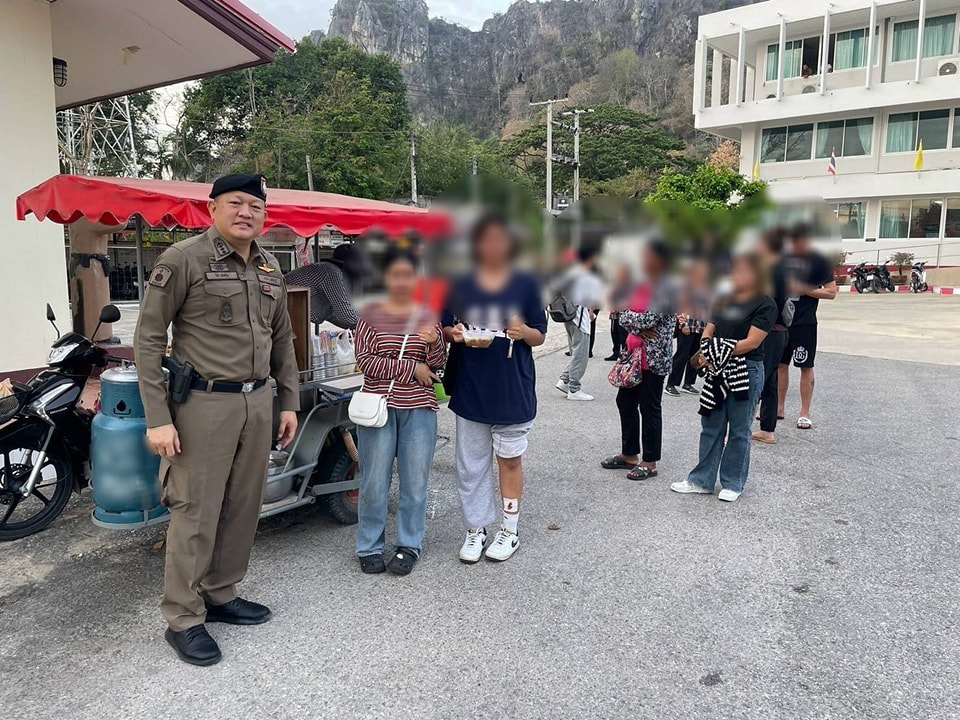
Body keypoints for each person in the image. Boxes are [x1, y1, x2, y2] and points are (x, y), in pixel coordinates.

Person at [135, 173, 300, 666]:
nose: (246, 212)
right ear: (212, 209)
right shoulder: (182, 259)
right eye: (235, 203)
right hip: (203, 406)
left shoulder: (270, 266)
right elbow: (148, 339)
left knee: (242, 506)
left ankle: (221, 593)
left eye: (255, 205)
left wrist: (288, 402)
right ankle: (183, 618)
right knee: (196, 511)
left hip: (257, 402)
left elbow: (283, 339)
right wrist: (158, 418)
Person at [442, 212, 546, 563]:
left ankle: (510, 530)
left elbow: (539, 334)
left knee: (510, 460)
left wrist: (524, 332)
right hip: (470, 386)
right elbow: (445, 326)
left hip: (512, 388)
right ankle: (475, 529)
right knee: (470, 464)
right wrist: (454, 333)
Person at [354, 246, 447, 576]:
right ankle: (369, 545)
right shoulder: (370, 316)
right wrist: (411, 368)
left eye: (409, 275)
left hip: (419, 408)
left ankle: (409, 544)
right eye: (396, 274)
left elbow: (437, 366)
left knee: (415, 483)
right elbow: (365, 361)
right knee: (374, 482)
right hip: (378, 408)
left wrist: (434, 343)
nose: (402, 281)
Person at [670, 252, 776, 502]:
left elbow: (752, 342)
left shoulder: (766, 304)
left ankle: (733, 482)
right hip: (718, 369)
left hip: (746, 369)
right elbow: (709, 330)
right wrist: (709, 351)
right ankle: (701, 480)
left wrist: (715, 352)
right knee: (711, 426)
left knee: (739, 429)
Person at [600, 240, 675, 481]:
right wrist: (634, 322)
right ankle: (629, 454)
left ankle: (650, 461)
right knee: (625, 401)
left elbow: (648, 319)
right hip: (632, 357)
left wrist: (631, 319)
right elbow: (619, 313)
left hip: (653, 359)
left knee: (649, 407)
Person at [777, 223, 837, 430]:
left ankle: (804, 412)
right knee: (780, 365)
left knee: (805, 365)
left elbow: (831, 292)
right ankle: (779, 407)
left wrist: (805, 289)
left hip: (805, 322)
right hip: (781, 322)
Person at [753, 227, 790, 444]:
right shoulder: (781, 268)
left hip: (768, 331)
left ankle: (740, 429)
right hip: (779, 331)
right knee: (769, 380)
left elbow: (761, 302)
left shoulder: (770, 269)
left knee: (757, 379)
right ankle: (767, 429)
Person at [283, 242, 373, 329]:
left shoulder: (331, 271)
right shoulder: (332, 273)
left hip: (291, 312)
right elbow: (347, 317)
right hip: (284, 309)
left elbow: (337, 314)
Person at [556, 245, 604, 401]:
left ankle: (564, 380)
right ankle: (574, 389)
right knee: (581, 355)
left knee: (577, 352)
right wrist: (591, 311)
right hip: (579, 319)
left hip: (569, 317)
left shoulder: (571, 272)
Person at [665, 258, 711, 397]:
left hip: (701, 326)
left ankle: (688, 383)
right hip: (688, 326)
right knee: (682, 355)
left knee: (695, 356)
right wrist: (683, 324)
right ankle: (671, 384)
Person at [605, 264, 633, 361]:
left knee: (623, 334)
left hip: (624, 312)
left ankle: (625, 353)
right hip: (615, 311)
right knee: (614, 331)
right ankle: (616, 352)